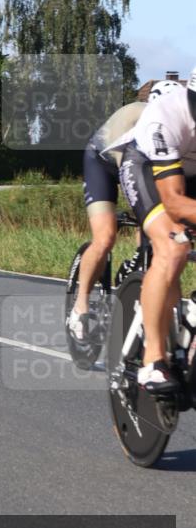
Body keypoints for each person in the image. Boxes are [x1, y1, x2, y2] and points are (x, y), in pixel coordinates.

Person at [67, 77, 182, 343]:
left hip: (145, 168)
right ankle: (80, 306)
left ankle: (139, 274)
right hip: (105, 163)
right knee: (105, 237)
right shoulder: (136, 117)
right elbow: (134, 179)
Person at [111, 67, 196, 393]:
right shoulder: (166, 115)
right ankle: (153, 361)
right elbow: (174, 202)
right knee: (173, 246)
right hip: (147, 167)